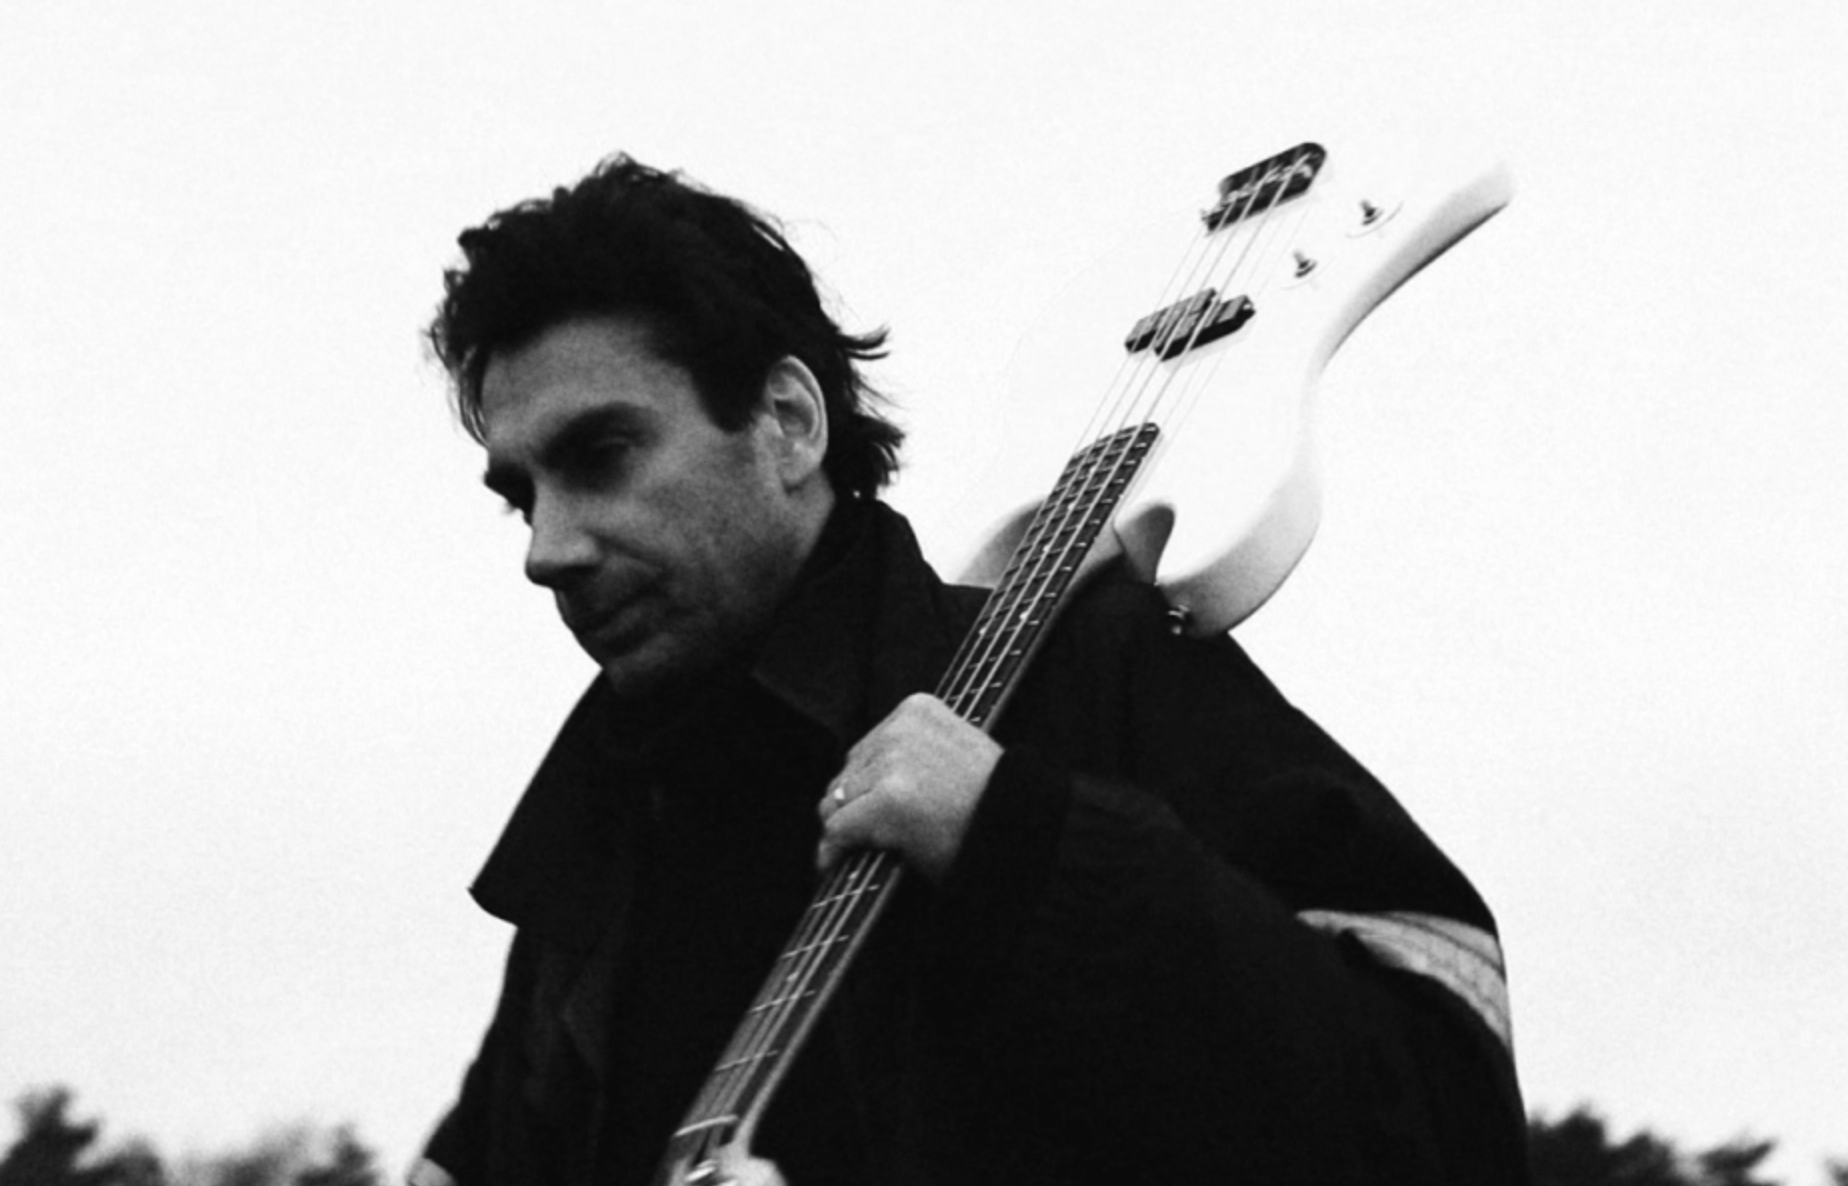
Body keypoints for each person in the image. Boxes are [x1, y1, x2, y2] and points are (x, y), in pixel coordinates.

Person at [408, 154, 1528, 1186]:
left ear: (788, 422)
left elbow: (1444, 1098)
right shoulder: (601, 839)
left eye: (601, 456)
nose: (547, 547)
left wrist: (1022, 841)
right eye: (521, 495)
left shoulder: (1081, 670)